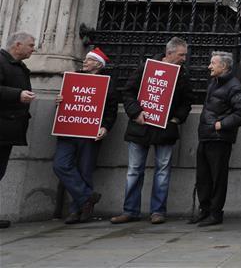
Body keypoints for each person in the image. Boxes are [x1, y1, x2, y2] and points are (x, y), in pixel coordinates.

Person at [111, 36, 193, 225]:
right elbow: (128, 92)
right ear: (169, 53)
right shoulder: (146, 68)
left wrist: (176, 118)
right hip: (140, 127)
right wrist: (135, 112)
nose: (184, 58)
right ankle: (130, 210)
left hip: (165, 130)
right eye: (181, 54)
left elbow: (187, 100)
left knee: (162, 172)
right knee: (134, 170)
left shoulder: (182, 74)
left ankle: (157, 211)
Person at [53, 47, 118, 224]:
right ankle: (88, 197)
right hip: (68, 130)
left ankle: (77, 210)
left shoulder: (108, 83)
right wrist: (59, 101)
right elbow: (66, 103)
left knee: (85, 171)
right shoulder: (73, 78)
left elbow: (111, 111)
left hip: (90, 133)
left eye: (89, 59)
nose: (85, 61)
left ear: (98, 64)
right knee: (60, 165)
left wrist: (105, 127)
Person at [188, 51, 241, 227]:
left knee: (217, 177)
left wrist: (222, 125)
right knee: (203, 177)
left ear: (223, 66)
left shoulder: (233, 86)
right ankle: (205, 210)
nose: (209, 66)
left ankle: (215, 213)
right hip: (206, 136)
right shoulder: (214, 83)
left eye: (213, 63)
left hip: (219, 138)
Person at [0, 31, 36, 229]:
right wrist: (18, 95)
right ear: (17, 45)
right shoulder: (1, 62)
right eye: (31, 45)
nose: (33, 49)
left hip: (9, 128)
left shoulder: (19, 66)